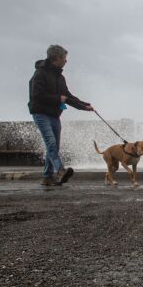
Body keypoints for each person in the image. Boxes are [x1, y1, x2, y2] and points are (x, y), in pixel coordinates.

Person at [28, 45, 94, 186]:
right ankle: (60, 171)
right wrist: (58, 99)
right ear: (56, 58)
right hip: (41, 114)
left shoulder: (60, 77)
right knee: (51, 143)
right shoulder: (40, 74)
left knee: (54, 147)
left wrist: (84, 106)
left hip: (54, 115)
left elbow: (68, 96)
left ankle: (47, 177)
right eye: (64, 58)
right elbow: (37, 95)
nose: (66, 61)